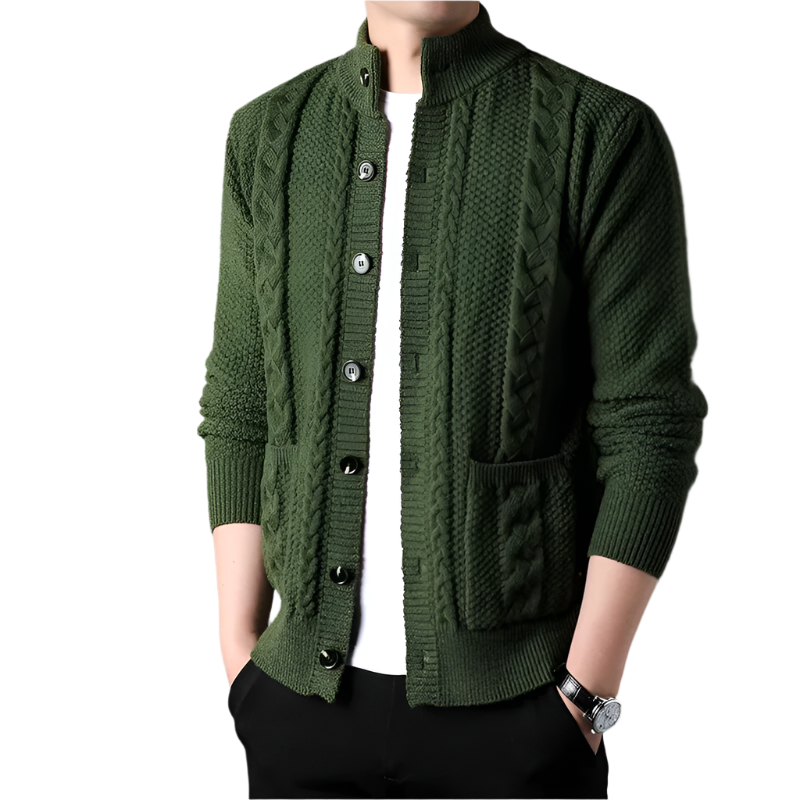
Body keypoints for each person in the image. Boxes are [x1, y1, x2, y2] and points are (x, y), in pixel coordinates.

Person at [197, 2, 708, 797]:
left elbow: (650, 424)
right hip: (300, 707)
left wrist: (583, 696)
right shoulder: (268, 134)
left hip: (521, 718)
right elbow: (242, 401)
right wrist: (242, 656)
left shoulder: (598, 132)